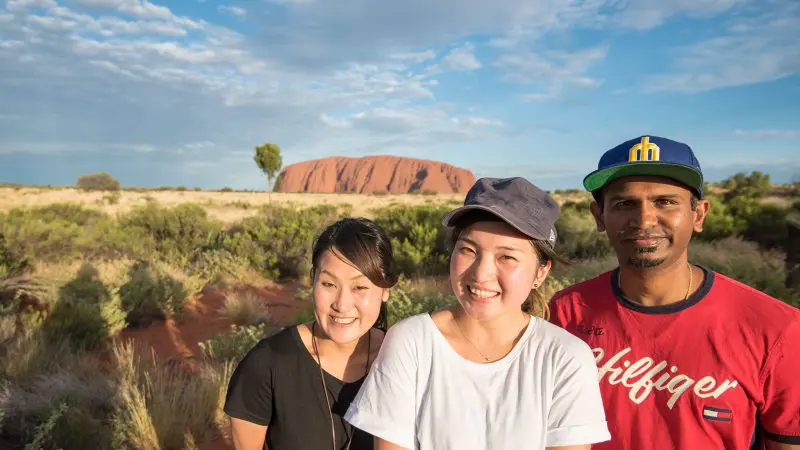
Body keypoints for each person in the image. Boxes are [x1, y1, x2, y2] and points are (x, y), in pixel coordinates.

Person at [549, 135, 800, 450]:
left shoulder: (777, 328)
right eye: (625, 203)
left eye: (665, 201)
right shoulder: (565, 313)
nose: (644, 219)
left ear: (698, 215)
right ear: (599, 217)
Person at [344, 177, 611, 450]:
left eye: (506, 257)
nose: (481, 273)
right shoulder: (412, 343)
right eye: (469, 250)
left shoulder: (564, 357)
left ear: (541, 272)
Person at [223, 217, 398, 450]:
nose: (342, 304)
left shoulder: (401, 359)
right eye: (328, 284)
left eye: (360, 287)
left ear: (386, 290)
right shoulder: (267, 365)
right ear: (312, 281)